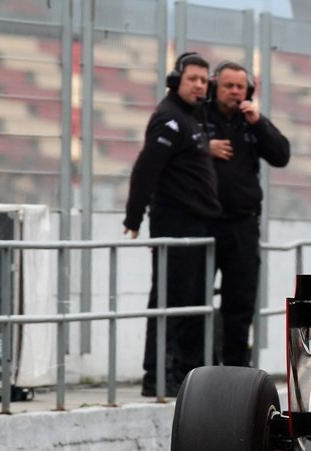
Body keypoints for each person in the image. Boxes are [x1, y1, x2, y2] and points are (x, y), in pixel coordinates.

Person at [124, 52, 222, 396]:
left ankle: (183, 376)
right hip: (175, 224)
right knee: (169, 302)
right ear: (175, 81)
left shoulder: (192, 118)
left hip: (197, 226)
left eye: (203, 80)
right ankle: (157, 378)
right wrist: (134, 217)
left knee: (192, 304)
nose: (199, 85)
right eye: (192, 78)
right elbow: (145, 168)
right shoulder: (169, 118)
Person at [201, 60, 290, 367]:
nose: (235, 92)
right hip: (203, 223)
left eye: (240, 87)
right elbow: (174, 148)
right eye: (228, 86)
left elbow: (281, 155)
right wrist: (204, 146)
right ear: (215, 87)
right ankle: (198, 371)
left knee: (240, 305)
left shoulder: (251, 122)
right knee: (195, 303)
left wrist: (259, 122)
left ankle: (236, 372)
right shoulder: (199, 116)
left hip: (242, 225)